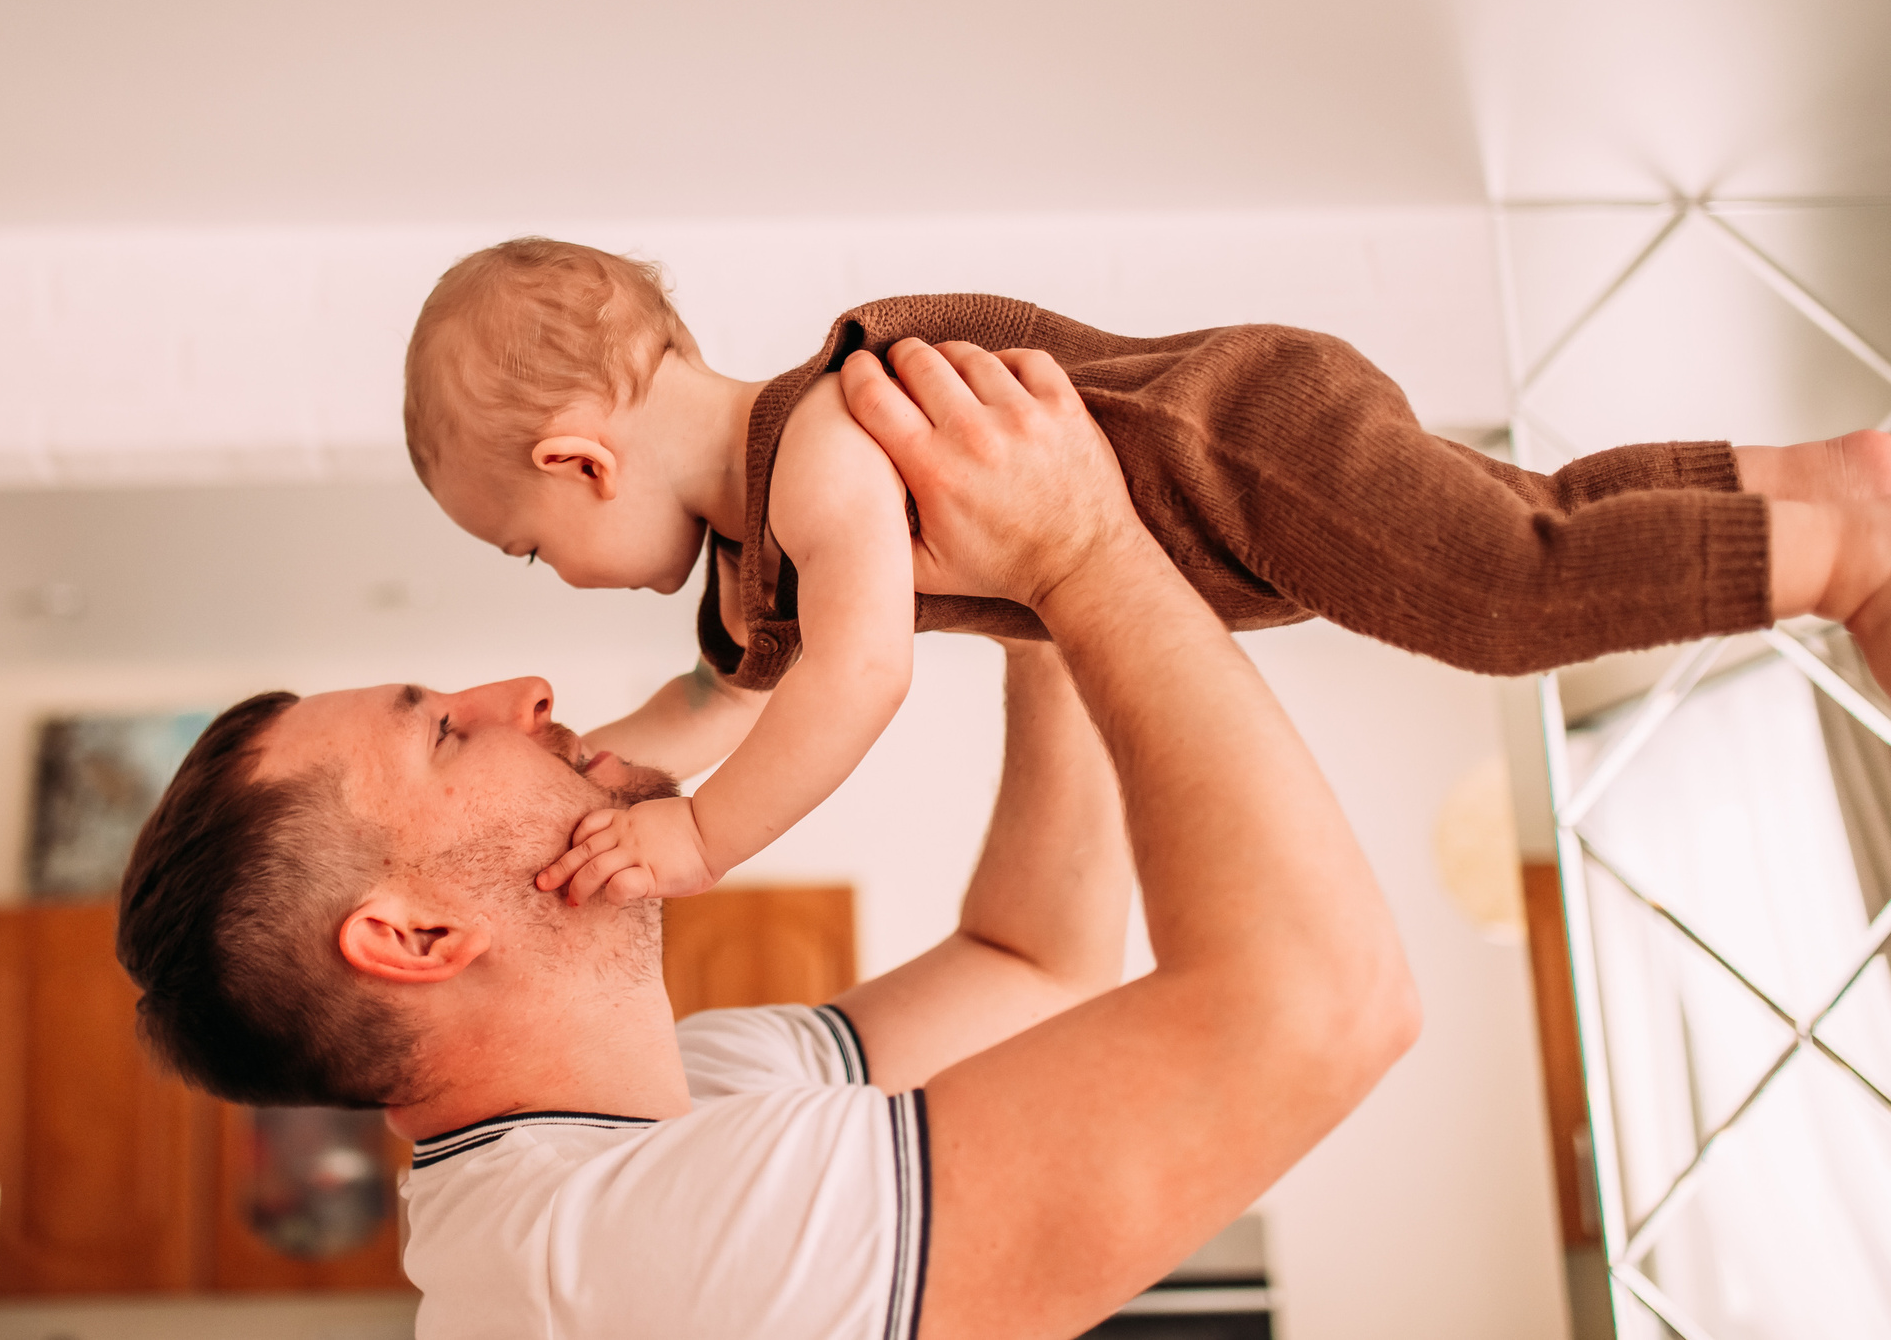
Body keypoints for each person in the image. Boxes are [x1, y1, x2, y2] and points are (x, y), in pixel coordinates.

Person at [118, 338, 1421, 1339]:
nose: (521, 694)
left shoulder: (680, 1101)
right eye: (446, 735)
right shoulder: (619, 1259)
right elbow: (1324, 1008)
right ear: (412, 937)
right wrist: (1085, 551)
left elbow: (1034, 967)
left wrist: (1043, 603)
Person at [401, 237, 1891, 906]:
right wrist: (605, 780)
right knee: (1545, 522)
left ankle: (1842, 558)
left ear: (580, 464)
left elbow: (861, 673)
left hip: (1243, 438)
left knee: (1505, 599)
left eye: (533, 551)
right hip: (1240, 508)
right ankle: (1819, 481)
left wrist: (702, 846)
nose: (556, 578)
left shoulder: (818, 452)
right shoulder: (751, 563)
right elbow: (716, 697)